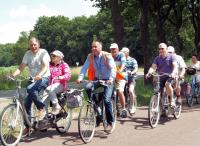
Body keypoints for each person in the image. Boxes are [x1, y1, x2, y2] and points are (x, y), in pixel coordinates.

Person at [76, 40, 116, 133]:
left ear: (100, 47)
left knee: (106, 100)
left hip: (108, 80)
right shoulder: (90, 57)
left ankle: (110, 122)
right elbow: (84, 68)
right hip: (97, 79)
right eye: (92, 47)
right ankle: (97, 109)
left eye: (95, 47)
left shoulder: (107, 55)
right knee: (88, 88)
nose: (93, 48)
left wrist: (111, 79)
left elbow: (113, 68)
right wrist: (80, 77)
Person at [12, 37, 50, 121]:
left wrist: (40, 74)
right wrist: (14, 75)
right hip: (32, 80)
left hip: (44, 78)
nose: (33, 46)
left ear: (38, 44)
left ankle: (41, 108)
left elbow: (45, 66)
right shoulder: (27, 54)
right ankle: (28, 126)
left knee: (30, 89)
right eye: (31, 45)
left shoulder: (43, 52)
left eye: (35, 44)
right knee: (26, 103)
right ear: (29, 46)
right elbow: (21, 67)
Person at [145, 43, 178, 107]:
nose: (161, 50)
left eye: (162, 48)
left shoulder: (171, 56)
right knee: (157, 90)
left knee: (167, 84)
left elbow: (175, 66)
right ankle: (159, 106)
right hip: (161, 77)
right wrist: (149, 72)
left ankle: (172, 100)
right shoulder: (157, 58)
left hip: (170, 76)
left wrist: (173, 73)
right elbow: (153, 67)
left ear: (166, 49)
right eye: (159, 49)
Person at [45, 50, 71, 115]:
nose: (52, 57)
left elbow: (68, 75)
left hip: (61, 85)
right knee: (43, 100)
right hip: (51, 85)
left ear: (59, 57)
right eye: (51, 55)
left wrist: (61, 77)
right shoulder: (50, 66)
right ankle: (44, 117)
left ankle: (57, 106)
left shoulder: (63, 65)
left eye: (54, 56)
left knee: (49, 89)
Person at [110, 43, 128, 118]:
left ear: (117, 49)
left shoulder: (121, 55)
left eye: (115, 49)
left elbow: (123, 63)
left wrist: (120, 70)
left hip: (121, 75)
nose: (113, 51)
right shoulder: (109, 56)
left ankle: (124, 108)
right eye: (112, 49)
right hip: (112, 76)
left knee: (120, 91)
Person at [120, 47, 138, 114]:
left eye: (124, 52)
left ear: (127, 53)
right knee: (120, 91)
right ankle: (121, 108)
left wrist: (132, 72)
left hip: (131, 78)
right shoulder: (121, 60)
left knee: (130, 91)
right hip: (123, 78)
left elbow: (136, 68)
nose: (122, 54)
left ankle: (132, 106)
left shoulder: (132, 60)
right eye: (121, 52)